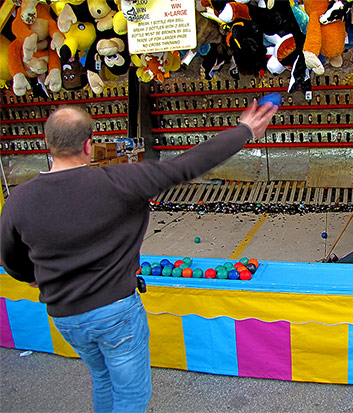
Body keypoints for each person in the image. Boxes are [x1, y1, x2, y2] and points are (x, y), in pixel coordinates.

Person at [0, 101, 278, 412]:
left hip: (65, 316)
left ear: (47, 144)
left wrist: (33, 277)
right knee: (131, 396)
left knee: (102, 378)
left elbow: (11, 260)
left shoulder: (19, 201)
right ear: (89, 145)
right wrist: (244, 131)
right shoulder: (119, 182)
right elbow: (188, 164)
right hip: (115, 312)